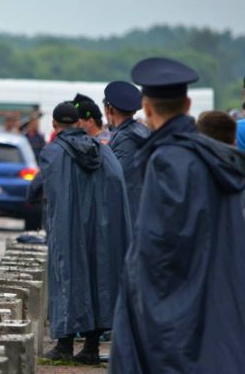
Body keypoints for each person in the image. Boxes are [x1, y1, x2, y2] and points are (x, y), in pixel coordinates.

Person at [110, 58, 245, 373]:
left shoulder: (168, 160)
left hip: (176, 315)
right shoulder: (217, 157)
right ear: (187, 104)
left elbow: (158, 252)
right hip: (222, 298)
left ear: (146, 106)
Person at [40, 102, 131, 365]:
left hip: (68, 227)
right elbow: (116, 186)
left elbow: (49, 190)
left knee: (66, 278)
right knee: (98, 280)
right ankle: (91, 347)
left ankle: (64, 345)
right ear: (80, 122)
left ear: (55, 124)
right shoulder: (104, 152)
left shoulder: (53, 152)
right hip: (101, 229)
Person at [103, 81, 150, 225]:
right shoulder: (141, 132)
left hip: (128, 215)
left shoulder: (126, 139)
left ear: (109, 110)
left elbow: (115, 179)